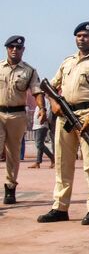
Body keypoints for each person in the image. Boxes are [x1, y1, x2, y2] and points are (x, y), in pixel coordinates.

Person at [37, 22, 89, 225]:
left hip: (87, 113)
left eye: (86, 35)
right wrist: (53, 104)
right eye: (78, 35)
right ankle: (60, 207)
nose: (82, 38)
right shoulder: (67, 62)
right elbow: (51, 86)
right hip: (64, 114)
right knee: (62, 163)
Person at [1, 36, 46, 204]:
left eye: (18, 48)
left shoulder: (29, 71)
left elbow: (37, 91)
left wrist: (42, 108)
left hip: (17, 116)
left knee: (13, 154)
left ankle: (10, 188)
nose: (14, 50)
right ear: (6, 48)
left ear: (23, 50)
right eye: (11, 47)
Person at [28, 103, 55, 169]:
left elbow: (48, 115)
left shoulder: (45, 102)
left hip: (42, 126)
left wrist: (42, 120)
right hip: (36, 126)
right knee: (40, 144)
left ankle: (52, 158)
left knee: (39, 144)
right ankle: (38, 162)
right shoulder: (39, 102)